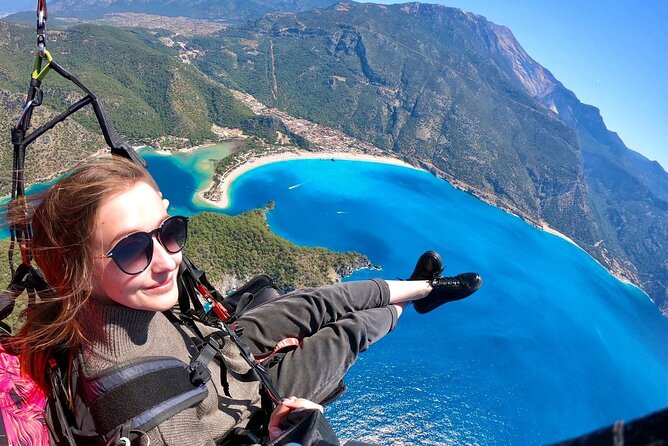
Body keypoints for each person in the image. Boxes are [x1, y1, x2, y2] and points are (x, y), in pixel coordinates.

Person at [11, 157, 482, 445]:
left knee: (318, 300)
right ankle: (411, 304)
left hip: (212, 349)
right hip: (249, 401)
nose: (167, 260)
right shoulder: (143, 413)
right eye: (134, 249)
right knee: (350, 331)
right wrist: (273, 437)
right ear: (76, 270)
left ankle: (421, 288)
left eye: (170, 231)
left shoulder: (101, 305)